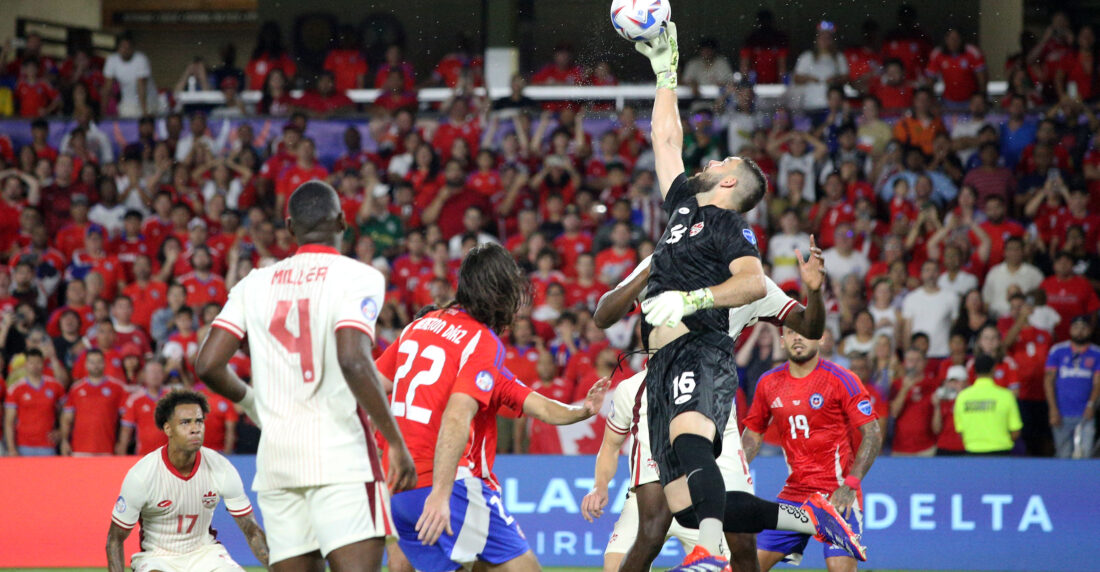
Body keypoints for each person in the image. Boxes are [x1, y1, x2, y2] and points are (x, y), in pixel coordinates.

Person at [632, 24, 863, 571]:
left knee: (692, 448)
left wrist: (689, 302)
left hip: (699, 351)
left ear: (731, 186)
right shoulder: (686, 207)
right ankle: (812, 519)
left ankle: (709, 555)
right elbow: (665, 140)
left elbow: (757, 285)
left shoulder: (729, 227)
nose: (709, 162)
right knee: (686, 507)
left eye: (721, 166)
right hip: (661, 364)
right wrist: (665, 71)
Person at [195, 180, 417, 571]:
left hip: (278, 461)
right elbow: (353, 359)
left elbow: (208, 364)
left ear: (289, 227)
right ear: (343, 222)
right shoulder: (359, 277)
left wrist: (252, 403)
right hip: (341, 457)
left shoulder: (254, 283)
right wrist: (395, 441)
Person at [583, 238, 840, 572]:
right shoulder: (667, 261)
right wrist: (648, 269)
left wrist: (815, 292)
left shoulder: (753, 282)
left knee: (742, 541)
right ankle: (807, 519)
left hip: (710, 394)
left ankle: (711, 549)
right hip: (659, 396)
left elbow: (810, 326)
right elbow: (604, 314)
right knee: (656, 523)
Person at [379, 243, 610, 571]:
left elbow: (371, 385)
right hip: (447, 485)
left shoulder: (419, 327)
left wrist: (582, 410)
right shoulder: (479, 342)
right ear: (498, 293)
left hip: (399, 487)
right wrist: (442, 494)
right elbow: (457, 415)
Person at [742, 327, 883, 572]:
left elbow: (872, 433)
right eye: (790, 332)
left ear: (820, 338)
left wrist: (849, 485)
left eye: (805, 332)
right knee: (747, 567)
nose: (797, 337)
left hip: (836, 497)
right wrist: (734, 469)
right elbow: (753, 434)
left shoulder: (841, 378)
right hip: (794, 496)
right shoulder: (769, 382)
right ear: (782, 340)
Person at [106, 390, 269, 572]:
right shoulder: (142, 475)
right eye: (185, 422)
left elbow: (252, 530)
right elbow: (114, 540)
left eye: (199, 421)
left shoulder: (221, 467)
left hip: (205, 555)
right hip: (157, 558)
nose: (195, 428)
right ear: (168, 428)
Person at [1044, 317, 1100, 458]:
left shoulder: (1096, 353)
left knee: (1085, 453)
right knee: (1063, 454)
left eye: (1083, 328)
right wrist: (1053, 409)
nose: (1080, 332)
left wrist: (1091, 405)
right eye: (1076, 327)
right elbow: (1049, 381)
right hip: (1061, 412)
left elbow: (1098, 382)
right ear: (1070, 329)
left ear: (1090, 330)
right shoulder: (1058, 350)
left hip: (1085, 413)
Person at [58, 349, 127, 456]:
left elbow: (125, 419)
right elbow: (67, 418)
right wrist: (64, 441)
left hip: (106, 449)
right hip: (79, 449)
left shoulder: (117, 388)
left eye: (99, 362)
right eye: (92, 362)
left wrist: (121, 443)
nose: (95, 365)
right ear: (86, 364)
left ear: (104, 363)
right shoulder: (76, 389)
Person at [954, 355, 1023, 456]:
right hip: (1001, 453)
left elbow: (960, 431)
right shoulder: (1006, 396)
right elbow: (1016, 431)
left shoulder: (962, 397)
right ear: (993, 370)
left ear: (974, 371)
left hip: (972, 452)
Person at [3, 349, 64, 456]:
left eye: (38, 362)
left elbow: (66, 412)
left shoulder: (55, 386)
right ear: (26, 364)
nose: (35, 366)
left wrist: (61, 431)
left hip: (47, 444)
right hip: (23, 445)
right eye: (31, 362)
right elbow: (9, 421)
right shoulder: (16, 388)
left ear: (43, 364)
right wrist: (12, 448)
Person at [902, 260, 959, 359]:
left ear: (939, 273)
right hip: (918, 354)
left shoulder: (951, 296)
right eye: (927, 270)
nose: (931, 274)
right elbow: (907, 329)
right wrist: (907, 352)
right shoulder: (911, 298)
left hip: (943, 352)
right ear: (921, 274)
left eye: (934, 270)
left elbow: (954, 325)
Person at [102, 33, 158, 118]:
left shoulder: (141, 59)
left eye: (128, 47)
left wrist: (144, 112)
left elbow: (141, 86)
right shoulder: (112, 60)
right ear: (118, 48)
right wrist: (102, 112)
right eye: (123, 47)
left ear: (133, 48)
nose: (125, 50)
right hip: (128, 103)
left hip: (148, 101)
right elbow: (107, 88)